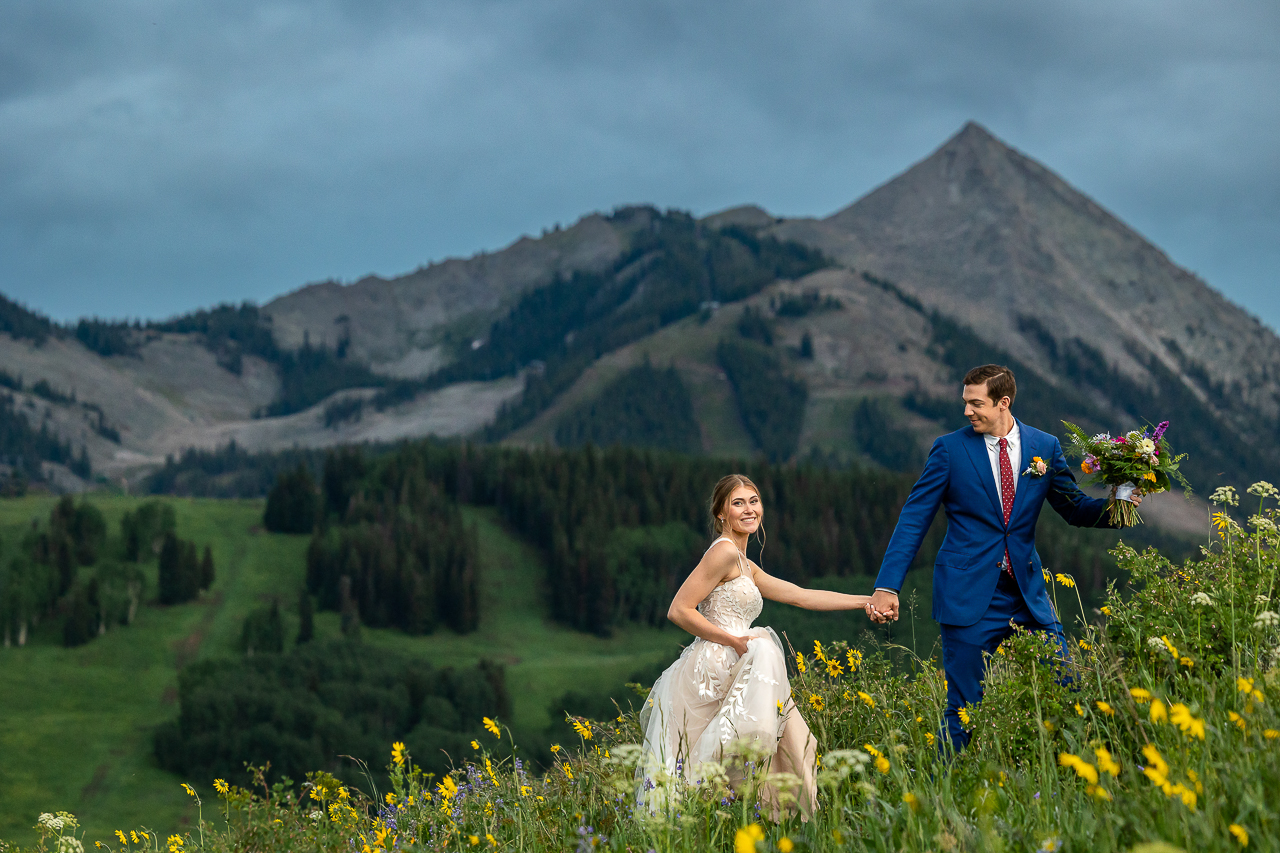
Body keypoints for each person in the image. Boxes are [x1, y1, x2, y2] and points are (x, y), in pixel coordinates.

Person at [866, 364, 1142, 751]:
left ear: (1003, 403)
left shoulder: (1043, 447)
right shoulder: (949, 449)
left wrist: (1122, 506)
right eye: (965, 402)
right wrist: (886, 586)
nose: (967, 411)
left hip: (1027, 595)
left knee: (1068, 688)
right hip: (967, 595)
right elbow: (914, 519)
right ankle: (942, 796)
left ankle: (1068, 782)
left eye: (976, 403)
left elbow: (1073, 507)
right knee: (964, 710)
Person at [637, 474, 875, 817]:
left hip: (737, 661)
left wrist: (866, 602)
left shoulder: (745, 564)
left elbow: (801, 596)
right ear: (720, 513)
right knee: (703, 762)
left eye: (754, 501)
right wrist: (731, 639)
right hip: (714, 667)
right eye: (738, 503)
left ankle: (738, 820)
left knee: (751, 748)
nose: (749, 509)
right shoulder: (722, 553)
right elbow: (679, 609)